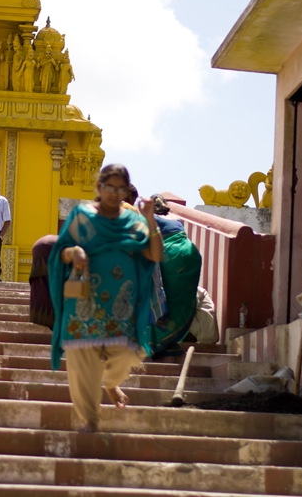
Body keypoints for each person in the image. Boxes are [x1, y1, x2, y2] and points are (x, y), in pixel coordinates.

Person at [48, 164, 163, 432]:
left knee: (127, 355)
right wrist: (74, 252)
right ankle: (89, 420)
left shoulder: (134, 221)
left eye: (120, 188)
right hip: (85, 301)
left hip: (121, 305)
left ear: (126, 190)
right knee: (81, 362)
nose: (114, 193)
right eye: (109, 186)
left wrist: (150, 218)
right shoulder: (82, 217)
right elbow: (60, 251)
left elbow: (154, 256)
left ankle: (111, 382)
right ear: (99, 187)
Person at [146, 194, 203, 359]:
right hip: (190, 253)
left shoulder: (148, 216)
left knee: (162, 297)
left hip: (169, 254)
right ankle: (170, 341)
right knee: (181, 299)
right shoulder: (176, 217)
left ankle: (155, 341)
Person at [29, 235, 58, 329]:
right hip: (49, 250)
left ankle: (42, 317)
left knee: (40, 284)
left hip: (38, 247)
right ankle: (51, 320)